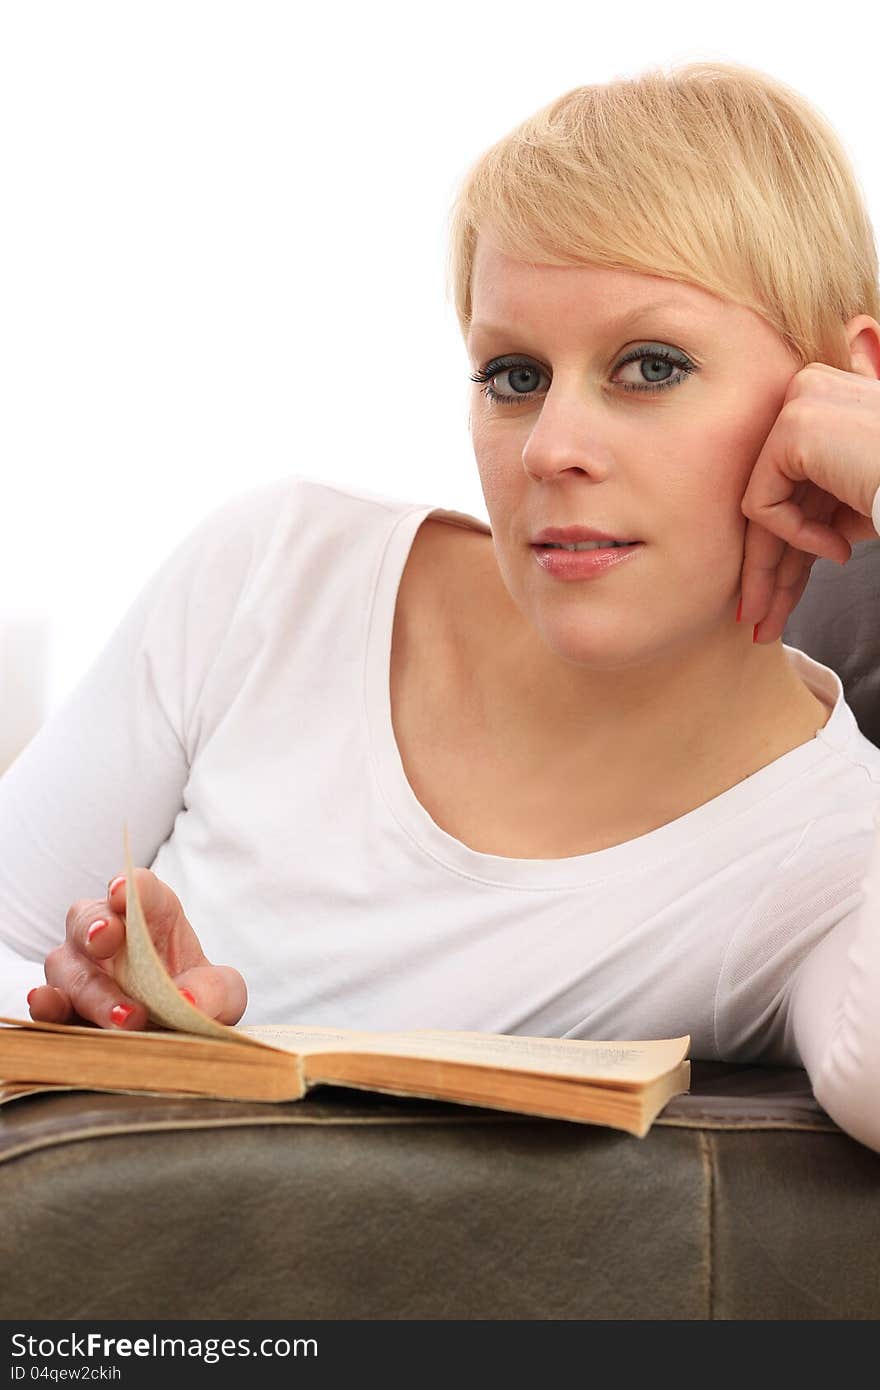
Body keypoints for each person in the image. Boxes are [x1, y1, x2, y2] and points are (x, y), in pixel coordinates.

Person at [3, 60, 880, 1152]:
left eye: (648, 366)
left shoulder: (835, 852)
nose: (554, 449)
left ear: (838, 388)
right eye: (513, 376)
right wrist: (101, 1016)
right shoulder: (276, 575)